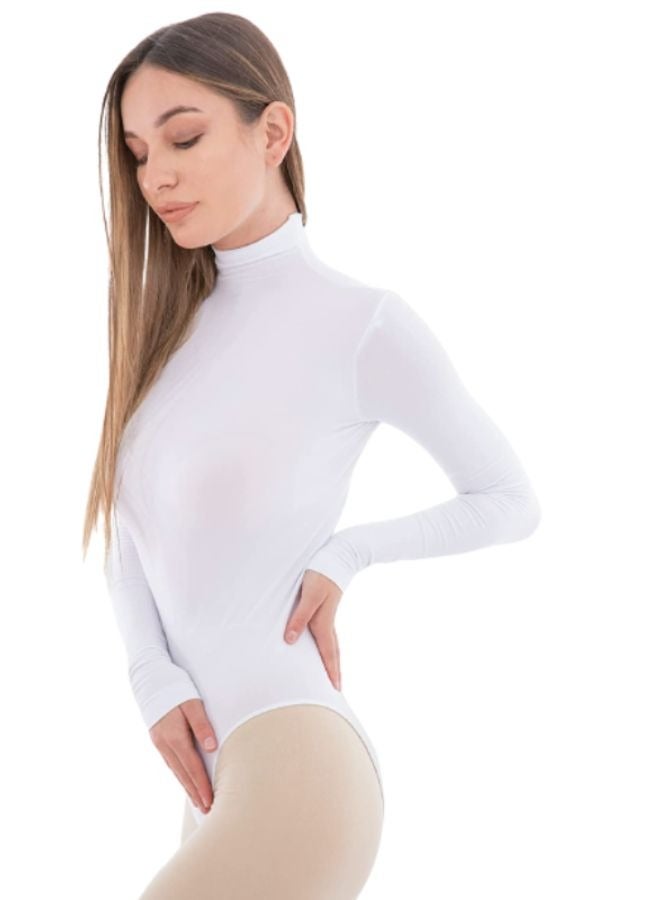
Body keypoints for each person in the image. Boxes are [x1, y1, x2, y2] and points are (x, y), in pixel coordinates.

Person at [82, 12, 541, 899]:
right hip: (217, 783)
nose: (156, 176)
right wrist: (150, 679)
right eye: (137, 154)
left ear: (273, 133)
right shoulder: (167, 335)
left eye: (184, 137)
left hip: (298, 766)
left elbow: (507, 497)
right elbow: (128, 532)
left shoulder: (359, 324)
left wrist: (347, 553)